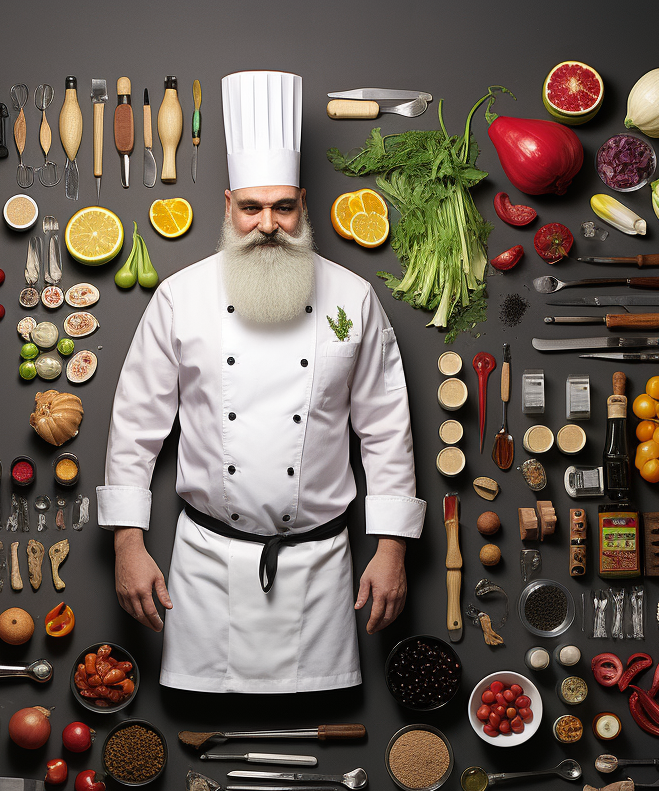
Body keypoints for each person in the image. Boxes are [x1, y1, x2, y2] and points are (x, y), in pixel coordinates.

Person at [97, 70, 426, 694]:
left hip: (321, 566)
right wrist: (126, 545)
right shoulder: (181, 296)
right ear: (229, 206)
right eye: (251, 208)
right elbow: (136, 423)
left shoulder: (353, 298)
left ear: (302, 203)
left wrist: (391, 550)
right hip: (205, 564)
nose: (267, 224)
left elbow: (385, 428)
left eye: (282, 206)